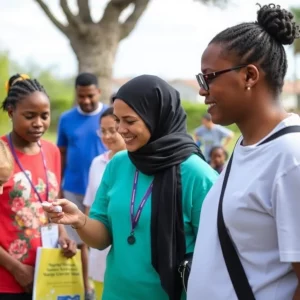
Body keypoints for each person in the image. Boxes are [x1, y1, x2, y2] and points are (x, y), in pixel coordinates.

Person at [43, 75, 218, 300]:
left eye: (130, 121)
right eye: (117, 120)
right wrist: (79, 220)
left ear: (157, 117)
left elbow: (215, 255)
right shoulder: (118, 163)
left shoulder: (197, 175)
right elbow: (101, 239)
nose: (120, 130)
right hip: (116, 293)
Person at [188, 3, 300, 300]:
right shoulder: (246, 144)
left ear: (250, 76)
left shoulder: (291, 156)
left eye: (208, 77)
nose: (202, 90)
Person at [0, 74, 77, 300]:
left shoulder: (51, 151)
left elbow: (52, 203)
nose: (39, 123)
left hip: (47, 274)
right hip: (8, 280)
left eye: (44, 116)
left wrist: (63, 236)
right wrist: (16, 269)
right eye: (29, 116)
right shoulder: (1, 154)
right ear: (12, 112)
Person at [57, 72, 108, 299]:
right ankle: (83, 287)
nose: (86, 101)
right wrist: (59, 185)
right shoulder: (66, 119)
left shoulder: (108, 116)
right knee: (76, 243)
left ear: (98, 92)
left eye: (90, 96)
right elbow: (62, 153)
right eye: (81, 97)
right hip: (73, 188)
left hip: (100, 189)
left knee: (96, 238)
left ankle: (96, 283)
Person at [83, 107, 126, 299]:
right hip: (100, 248)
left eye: (112, 130)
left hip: (125, 247)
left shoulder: (137, 164)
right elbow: (90, 205)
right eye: (103, 131)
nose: (107, 136)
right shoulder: (97, 163)